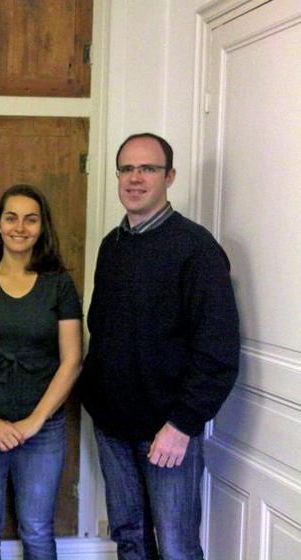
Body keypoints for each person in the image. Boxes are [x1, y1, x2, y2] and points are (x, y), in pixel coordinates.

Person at [78, 133, 240, 560]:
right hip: (113, 428)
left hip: (166, 432)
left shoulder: (196, 249)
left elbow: (218, 351)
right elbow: (103, 327)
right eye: (127, 169)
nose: (135, 178)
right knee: (130, 538)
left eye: (147, 168)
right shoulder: (112, 246)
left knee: (176, 547)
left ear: (169, 176)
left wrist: (182, 425)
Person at [0, 184, 83, 560]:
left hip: (42, 430)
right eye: (11, 217)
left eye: (30, 219)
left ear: (42, 227)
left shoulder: (59, 284)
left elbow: (72, 360)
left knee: (38, 530)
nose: (20, 227)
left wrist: (34, 422)